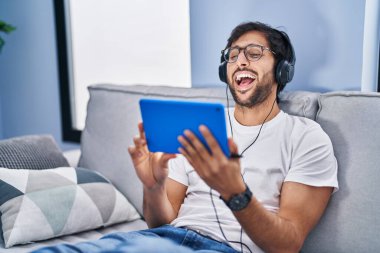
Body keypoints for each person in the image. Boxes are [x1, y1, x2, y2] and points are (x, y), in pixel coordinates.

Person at [33, 21, 338, 253]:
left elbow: (288, 244)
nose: (240, 61)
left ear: (282, 70)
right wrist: (153, 187)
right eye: (232, 55)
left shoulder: (306, 138)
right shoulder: (199, 127)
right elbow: (160, 222)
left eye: (254, 53)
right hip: (161, 239)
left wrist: (236, 193)